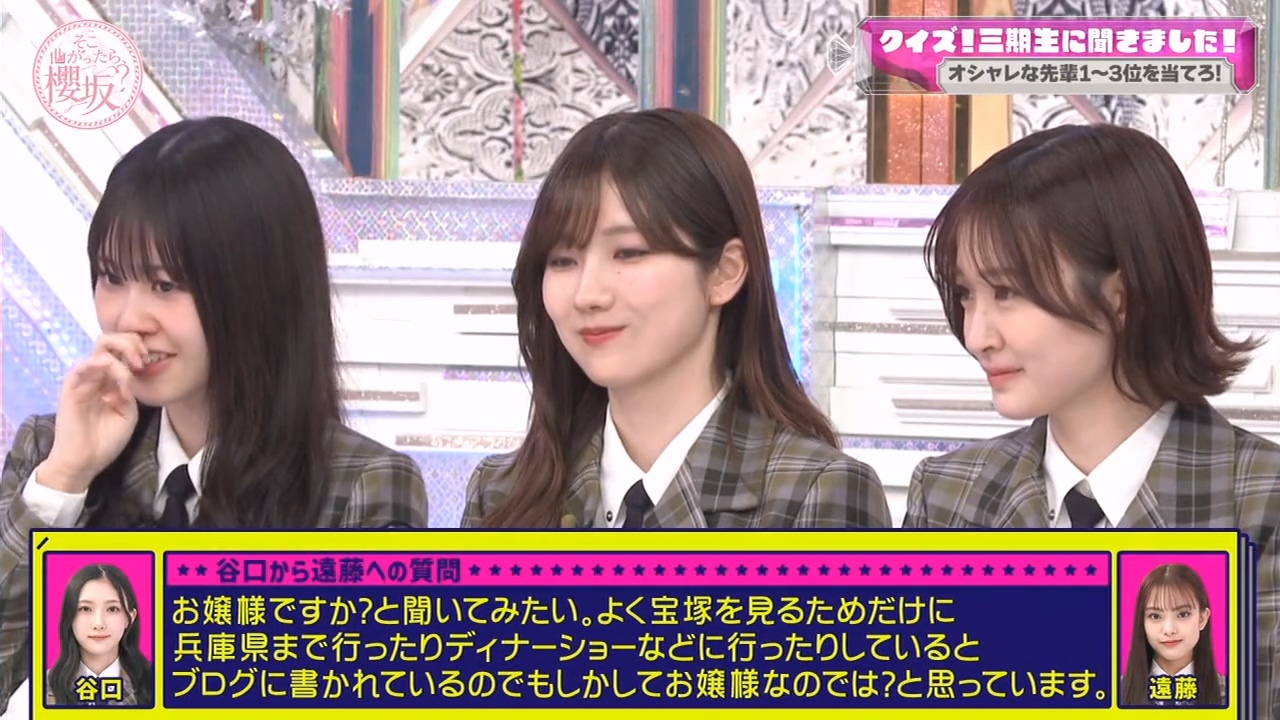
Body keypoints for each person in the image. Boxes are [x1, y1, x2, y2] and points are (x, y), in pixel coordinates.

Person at [0, 116, 429, 711]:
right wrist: (64, 481)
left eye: (166, 285)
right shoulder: (51, 451)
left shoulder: (362, 486)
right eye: (112, 277)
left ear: (259, 288)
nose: (128, 318)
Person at [899, 124, 1278, 714]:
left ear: (1121, 295)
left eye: (1006, 291)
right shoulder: (948, 497)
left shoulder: (1262, 503)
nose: (976, 335)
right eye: (966, 293)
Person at [462, 108, 890, 529]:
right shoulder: (501, 494)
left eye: (629, 253)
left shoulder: (815, 492)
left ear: (724, 272)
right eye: (562, 260)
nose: (587, 295)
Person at [46, 564, 152, 707]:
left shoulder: (162, 686)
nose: (99, 624)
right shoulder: (36, 690)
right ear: (69, 617)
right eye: (85, 609)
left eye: (112, 609)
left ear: (130, 618)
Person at [1120, 563, 1223, 706]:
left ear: (1202, 619)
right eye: (1155, 616)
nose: (1169, 630)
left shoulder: (1233, 695)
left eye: (1183, 614)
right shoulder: (1113, 694)